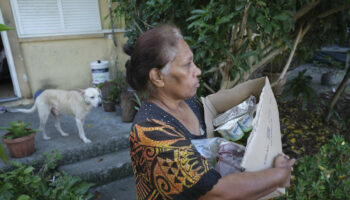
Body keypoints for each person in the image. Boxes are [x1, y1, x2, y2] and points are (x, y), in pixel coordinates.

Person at [124, 24, 295, 200]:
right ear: (158, 77)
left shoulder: (188, 102)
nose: (197, 71)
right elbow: (216, 192)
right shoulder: (149, 131)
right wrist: (278, 175)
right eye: (187, 65)